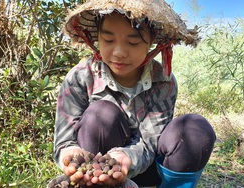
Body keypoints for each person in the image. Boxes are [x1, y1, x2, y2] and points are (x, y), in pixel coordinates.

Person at [53, 0, 216, 187]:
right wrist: (70, 153)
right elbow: (64, 141)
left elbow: (149, 141)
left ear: (151, 42)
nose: (120, 52)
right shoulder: (81, 77)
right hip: (98, 169)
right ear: (97, 38)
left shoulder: (164, 82)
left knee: (196, 130)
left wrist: (126, 157)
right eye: (108, 40)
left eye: (133, 42)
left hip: (146, 169)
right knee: (100, 114)